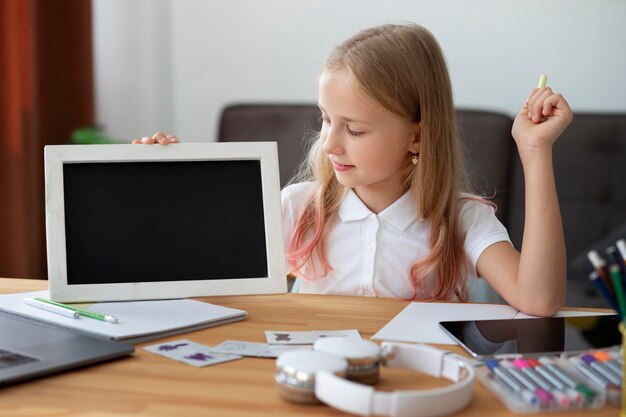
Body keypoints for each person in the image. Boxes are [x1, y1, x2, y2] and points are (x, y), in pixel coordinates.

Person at [134, 23, 572, 317]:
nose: (329, 143)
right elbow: (200, 290)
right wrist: (163, 188)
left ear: (417, 137)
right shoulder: (297, 207)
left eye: (355, 130)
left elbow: (538, 298)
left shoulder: (461, 220)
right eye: (325, 119)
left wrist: (534, 153)